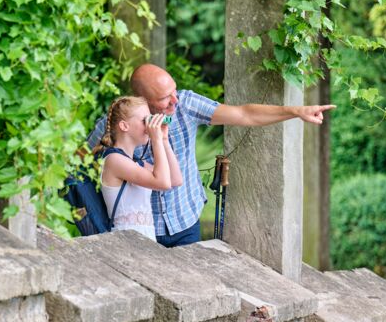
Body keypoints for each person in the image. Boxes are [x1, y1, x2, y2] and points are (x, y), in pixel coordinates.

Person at [88, 63, 335, 248]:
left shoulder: (186, 104)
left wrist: (296, 110)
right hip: (137, 233)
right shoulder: (118, 123)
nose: (175, 100)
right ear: (144, 100)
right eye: (165, 98)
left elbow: (244, 115)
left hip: (185, 223)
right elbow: (78, 163)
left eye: (174, 90)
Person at [92, 96, 182, 240]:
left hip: (143, 239)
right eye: (145, 120)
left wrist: (164, 140)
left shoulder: (133, 163)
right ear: (124, 126)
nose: (149, 126)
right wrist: (156, 139)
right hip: (126, 241)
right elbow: (162, 183)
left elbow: (174, 180)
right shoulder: (114, 160)